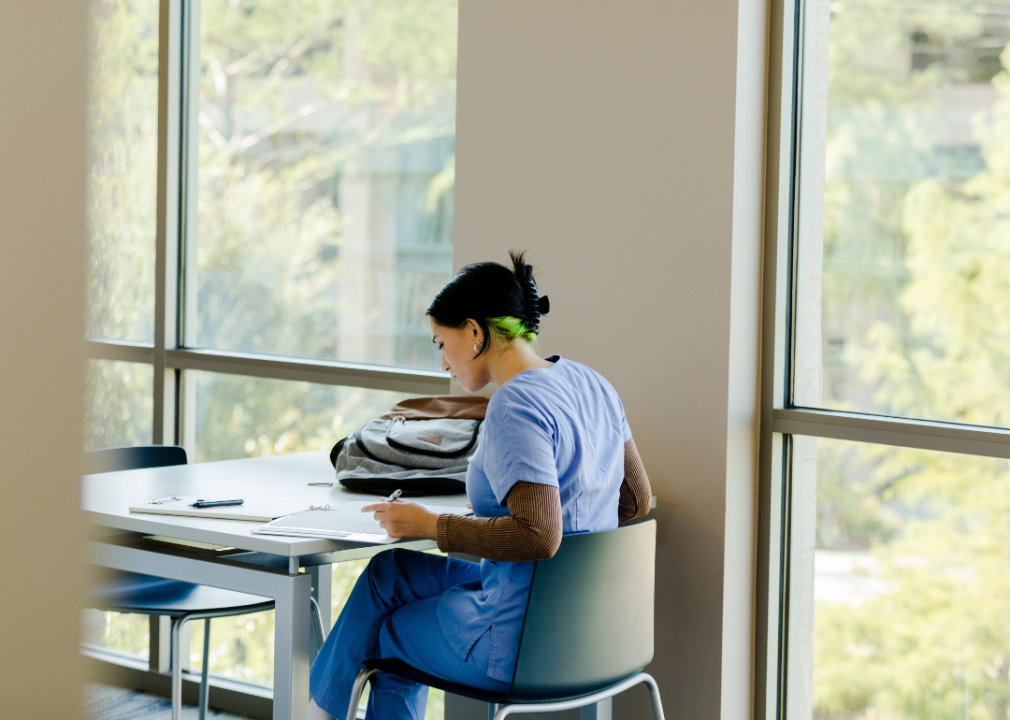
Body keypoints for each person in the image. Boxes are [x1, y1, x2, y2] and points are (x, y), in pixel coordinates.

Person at [309, 251, 652, 720]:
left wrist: (433, 527)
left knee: (386, 633)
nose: (444, 364)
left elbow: (537, 534)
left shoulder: (514, 405)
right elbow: (636, 500)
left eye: (440, 343)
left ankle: (314, 712)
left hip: (517, 639)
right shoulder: (593, 383)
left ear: (474, 332)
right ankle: (314, 712)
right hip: (590, 631)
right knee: (389, 574)